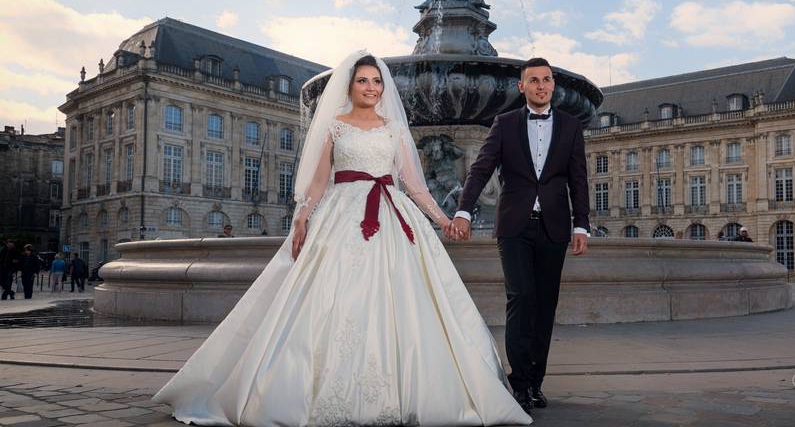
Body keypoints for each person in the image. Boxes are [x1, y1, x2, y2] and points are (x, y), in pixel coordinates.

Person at [154, 52, 531, 426]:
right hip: (342, 213)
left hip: (390, 212)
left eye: (377, 81)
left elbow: (415, 186)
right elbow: (319, 181)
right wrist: (302, 217)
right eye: (363, 80)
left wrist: (445, 220)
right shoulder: (335, 125)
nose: (371, 87)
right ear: (350, 86)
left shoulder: (394, 129)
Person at [453, 57, 590, 414]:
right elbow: (480, 168)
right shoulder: (505, 123)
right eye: (534, 81)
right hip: (514, 226)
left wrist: (581, 224)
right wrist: (464, 210)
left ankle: (535, 381)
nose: (541, 86)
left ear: (553, 85)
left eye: (546, 80)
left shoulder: (572, 126)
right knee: (521, 298)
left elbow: (579, 180)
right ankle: (518, 384)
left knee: (545, 306)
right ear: (522, 86)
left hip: (554, 227)